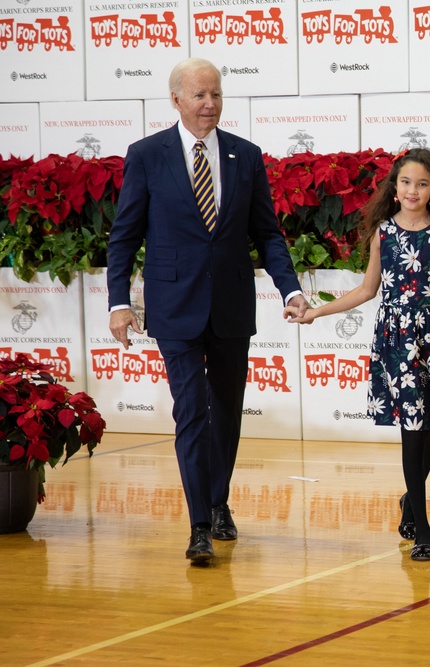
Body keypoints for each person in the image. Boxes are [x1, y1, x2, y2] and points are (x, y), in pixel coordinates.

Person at [107, 58, 308, 564]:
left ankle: (219, 501)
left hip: (231, 307)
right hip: (173, 306)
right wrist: (118, 303)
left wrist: (290, 290)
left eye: (216, 94)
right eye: (199, 95)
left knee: (227, 414)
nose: (209, 104)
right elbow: (124, 236)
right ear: (175, 99)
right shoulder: (147, 155)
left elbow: (267, 233)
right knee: (191, 412)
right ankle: (199, 524)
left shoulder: (246, 156)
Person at [284, 148, 430, 562]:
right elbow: (367, 290)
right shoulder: (384, 232)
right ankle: (422, 527)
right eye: (405, 182)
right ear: (395, 188)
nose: (412, 190)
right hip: (397, 340)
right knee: (411, 431)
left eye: (421, 183)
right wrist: (316, 312)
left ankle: (409, 501)